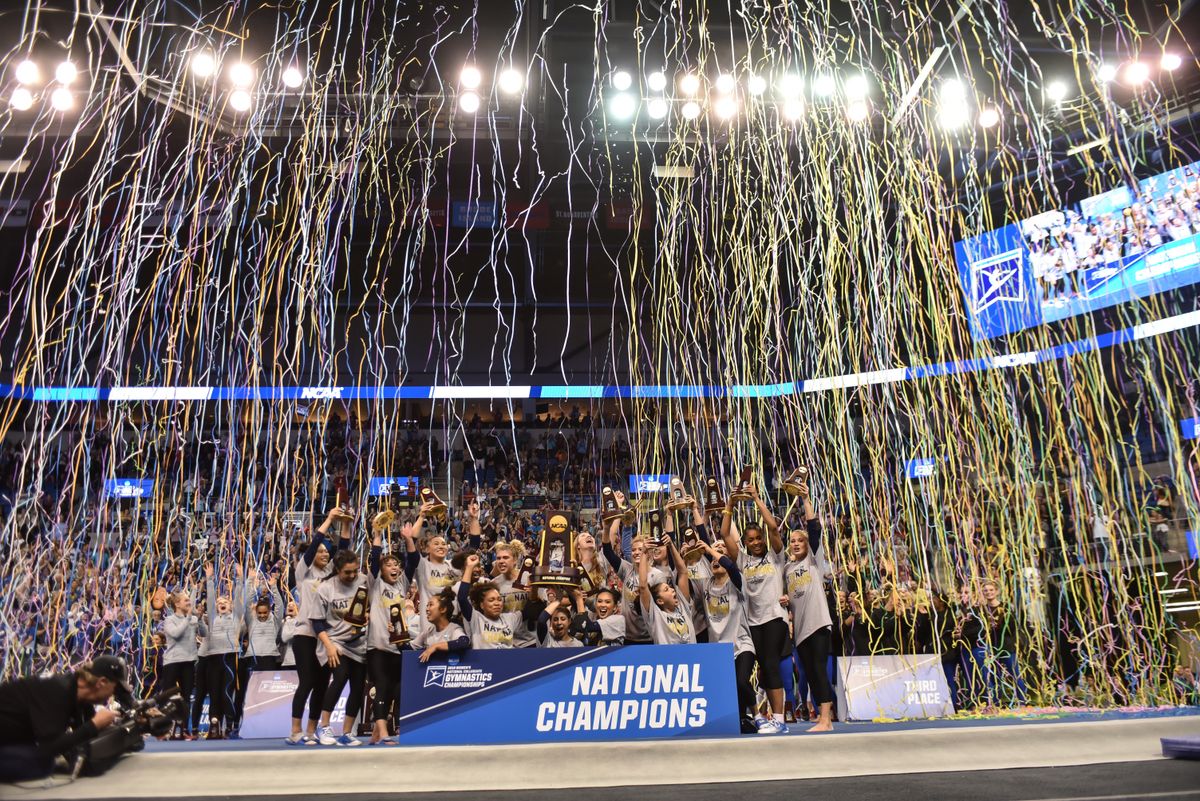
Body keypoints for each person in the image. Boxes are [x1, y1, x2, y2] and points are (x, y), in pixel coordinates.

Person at [720, 483, 791, 734]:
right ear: (747, 543)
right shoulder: (742, 560)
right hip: (753, 622)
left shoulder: (775, 556)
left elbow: (773, 527)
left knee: (771, 664)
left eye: (758, 538)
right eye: (751, 540)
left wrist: (756, 498)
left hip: (774, 617)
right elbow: (725, 533)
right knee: (763, 668)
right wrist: (730, 503)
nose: (756, 542)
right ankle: (772, 718)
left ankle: (780, 721)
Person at [0, 655, 133, 782]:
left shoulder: (75, 692)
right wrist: (94, 725)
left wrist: (135, 726)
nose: (113, 695)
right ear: (102, 682)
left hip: (13, 740)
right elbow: (49, 748)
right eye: (114, 690)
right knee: (43, 764)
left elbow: (88, 741)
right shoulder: (58, 691)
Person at [287, 507, 350, 746]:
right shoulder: (303, 571)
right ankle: (295, 729)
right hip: (305, 634)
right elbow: (313, 543)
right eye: (320, 551)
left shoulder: (332, 574)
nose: (324, 553)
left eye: (327, 551)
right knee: (307, 682)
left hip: (327, 636)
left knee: (323, 683)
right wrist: (330, 519)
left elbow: (344, 550)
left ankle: (311, 730)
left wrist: (346, 523)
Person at [782, 481, 834, 732]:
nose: (794, 543)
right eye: (791, 541)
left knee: (818, 669)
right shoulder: (788, 568)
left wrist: (805, 499)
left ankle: (826, 719)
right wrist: (785, 601)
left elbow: (814, 529)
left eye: (798, 540)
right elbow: (792, 596)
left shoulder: (815, 559)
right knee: (809, 674)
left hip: (818, 622)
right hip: (800, 628)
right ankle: (820, 713)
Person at [690, 539, 757, 733]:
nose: (715, 557)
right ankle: (742, 719)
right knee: (728, 692)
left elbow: (730, 565)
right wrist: (688, 555)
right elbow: (684, 576)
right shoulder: (705, 585)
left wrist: (711, 550)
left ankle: (759, 716)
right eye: (713, 555)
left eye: (721, 552)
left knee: (741, 682)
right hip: (718, 650)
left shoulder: (738, 580)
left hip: (741, 644)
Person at [313, 550, 370, 747]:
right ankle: (325, 726)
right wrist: (328, 646)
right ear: (337, 570)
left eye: (355, 571)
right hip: (335, 641)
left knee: (358, 686)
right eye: (347, 572)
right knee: (340, 676)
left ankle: (347, 732)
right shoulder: (326, 588)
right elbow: (317, 623)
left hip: (359, 642)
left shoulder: (364, 581)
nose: (352, 576)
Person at [365, 526, 408, 746]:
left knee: (391, 690)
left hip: (397, 646)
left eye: (396, 565)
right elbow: (373, 561)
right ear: (381, 570)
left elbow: (410, 562)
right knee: (381, 686)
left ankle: (376, 733)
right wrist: (377, 537)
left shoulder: (402, 585)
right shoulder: (375, 584)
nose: (394, 567)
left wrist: (408, 538)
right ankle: (382, 733)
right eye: (388, 565)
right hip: (377, 647)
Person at [457, 554, 530, 648]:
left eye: (499, 599)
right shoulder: (476, 619)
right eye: (491, 600)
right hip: (483, 661)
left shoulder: (510, 618)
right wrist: (469, 567)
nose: (497, 603)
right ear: (482, 605)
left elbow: (531, 609)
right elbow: (462, 598)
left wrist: (532, 590)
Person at [158, 590, 199, 740]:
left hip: (189, 661)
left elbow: (203, 634)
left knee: (186, 698)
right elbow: (176, 634)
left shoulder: (193, 618)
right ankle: (164, 730)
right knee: (168, 697)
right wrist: (188, 618)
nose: (189, 603)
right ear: (177, 604)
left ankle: (183, 729)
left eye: (189, 600)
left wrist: (198, 620)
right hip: (172, 662)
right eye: (186, 600)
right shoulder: (169, 620)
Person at [410, 588, 470, 661]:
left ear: (443, 609)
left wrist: (435, 646)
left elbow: (464, 641)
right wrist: (398, 640)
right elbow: (410, 649)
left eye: (430, 605)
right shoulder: (429, 631)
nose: (427, 609)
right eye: (427, 605)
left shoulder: (453, 629)